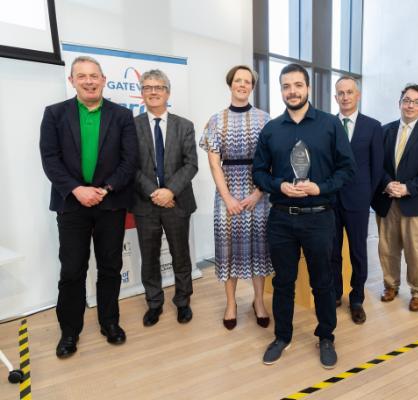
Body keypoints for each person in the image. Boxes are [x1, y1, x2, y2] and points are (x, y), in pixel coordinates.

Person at [253, 63, 356, 369]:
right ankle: (282, 336)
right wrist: (279, 185)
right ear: (281, 90)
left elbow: (347, 169)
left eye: (298, 85)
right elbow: (258, 172)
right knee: (283, 282)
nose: (292, 91)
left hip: (319, 216)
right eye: (286, 86)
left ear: (308, 88)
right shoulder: (271, 129)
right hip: (281, 218)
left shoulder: (329, 125)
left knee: (322, 282)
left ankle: (326, 336)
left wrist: (319, 187)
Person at [40, 56, 138, 358]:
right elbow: (50, 158)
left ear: (104, 79)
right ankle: (69, 331)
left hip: (111, 204)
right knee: (72, 270)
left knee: (110, 267)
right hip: (71, 205)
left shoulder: (122, 115)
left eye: (94, 75)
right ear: (72, 81)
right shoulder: (55, 114)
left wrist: (104, 189)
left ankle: (110, 323)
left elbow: (129, 160)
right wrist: (77, 190)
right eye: (81, 76)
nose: (89, 80)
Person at [200, 65, 273, 330]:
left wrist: (258, 192)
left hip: (259, 192)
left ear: (252, 87)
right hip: (226, 193)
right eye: (238, 81)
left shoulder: (266, 119)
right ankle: (231, 303)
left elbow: (273, 161)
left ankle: (258, 301)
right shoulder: (216, 120)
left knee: (259, 248)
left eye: (247, 81)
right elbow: (214, 163)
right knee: (227, 248)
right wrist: (228, 197)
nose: (242, 85)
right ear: (230, 84)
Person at [132, 69, 198, 326]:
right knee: (149, 257)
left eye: (158, 87)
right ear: (142, 93)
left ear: (167, 92)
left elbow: (191, 164)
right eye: (147, 87)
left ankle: (183, 301)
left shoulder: (185, 126)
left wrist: (170, 191)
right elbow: (130, 166)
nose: (153, 91)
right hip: (145, 203)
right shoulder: (131, 126)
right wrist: (154, 192)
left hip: (177, 201)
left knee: (180, 255)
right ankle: (154, 303)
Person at [371, 84, 418, 312]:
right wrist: (387, 183)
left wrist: (408, 188)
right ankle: (390, 285)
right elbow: (376, 164)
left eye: (416, 101)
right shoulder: (384, 131)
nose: (410, 105)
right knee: (387, 249)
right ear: (399, 102)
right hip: (387, 200)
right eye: (407, 100)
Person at [331, 76, 384, 324]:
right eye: (340, 93)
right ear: (336, 97)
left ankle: (357, 298)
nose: (345, 97)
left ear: (358, 95)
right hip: (330, 201)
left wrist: (365, 195)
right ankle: (335, 294)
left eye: (349, 92)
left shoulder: (373, 126)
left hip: (358, 201)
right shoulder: (328, 125)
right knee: (332, 252)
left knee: (358, 253)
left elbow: (377, 166)